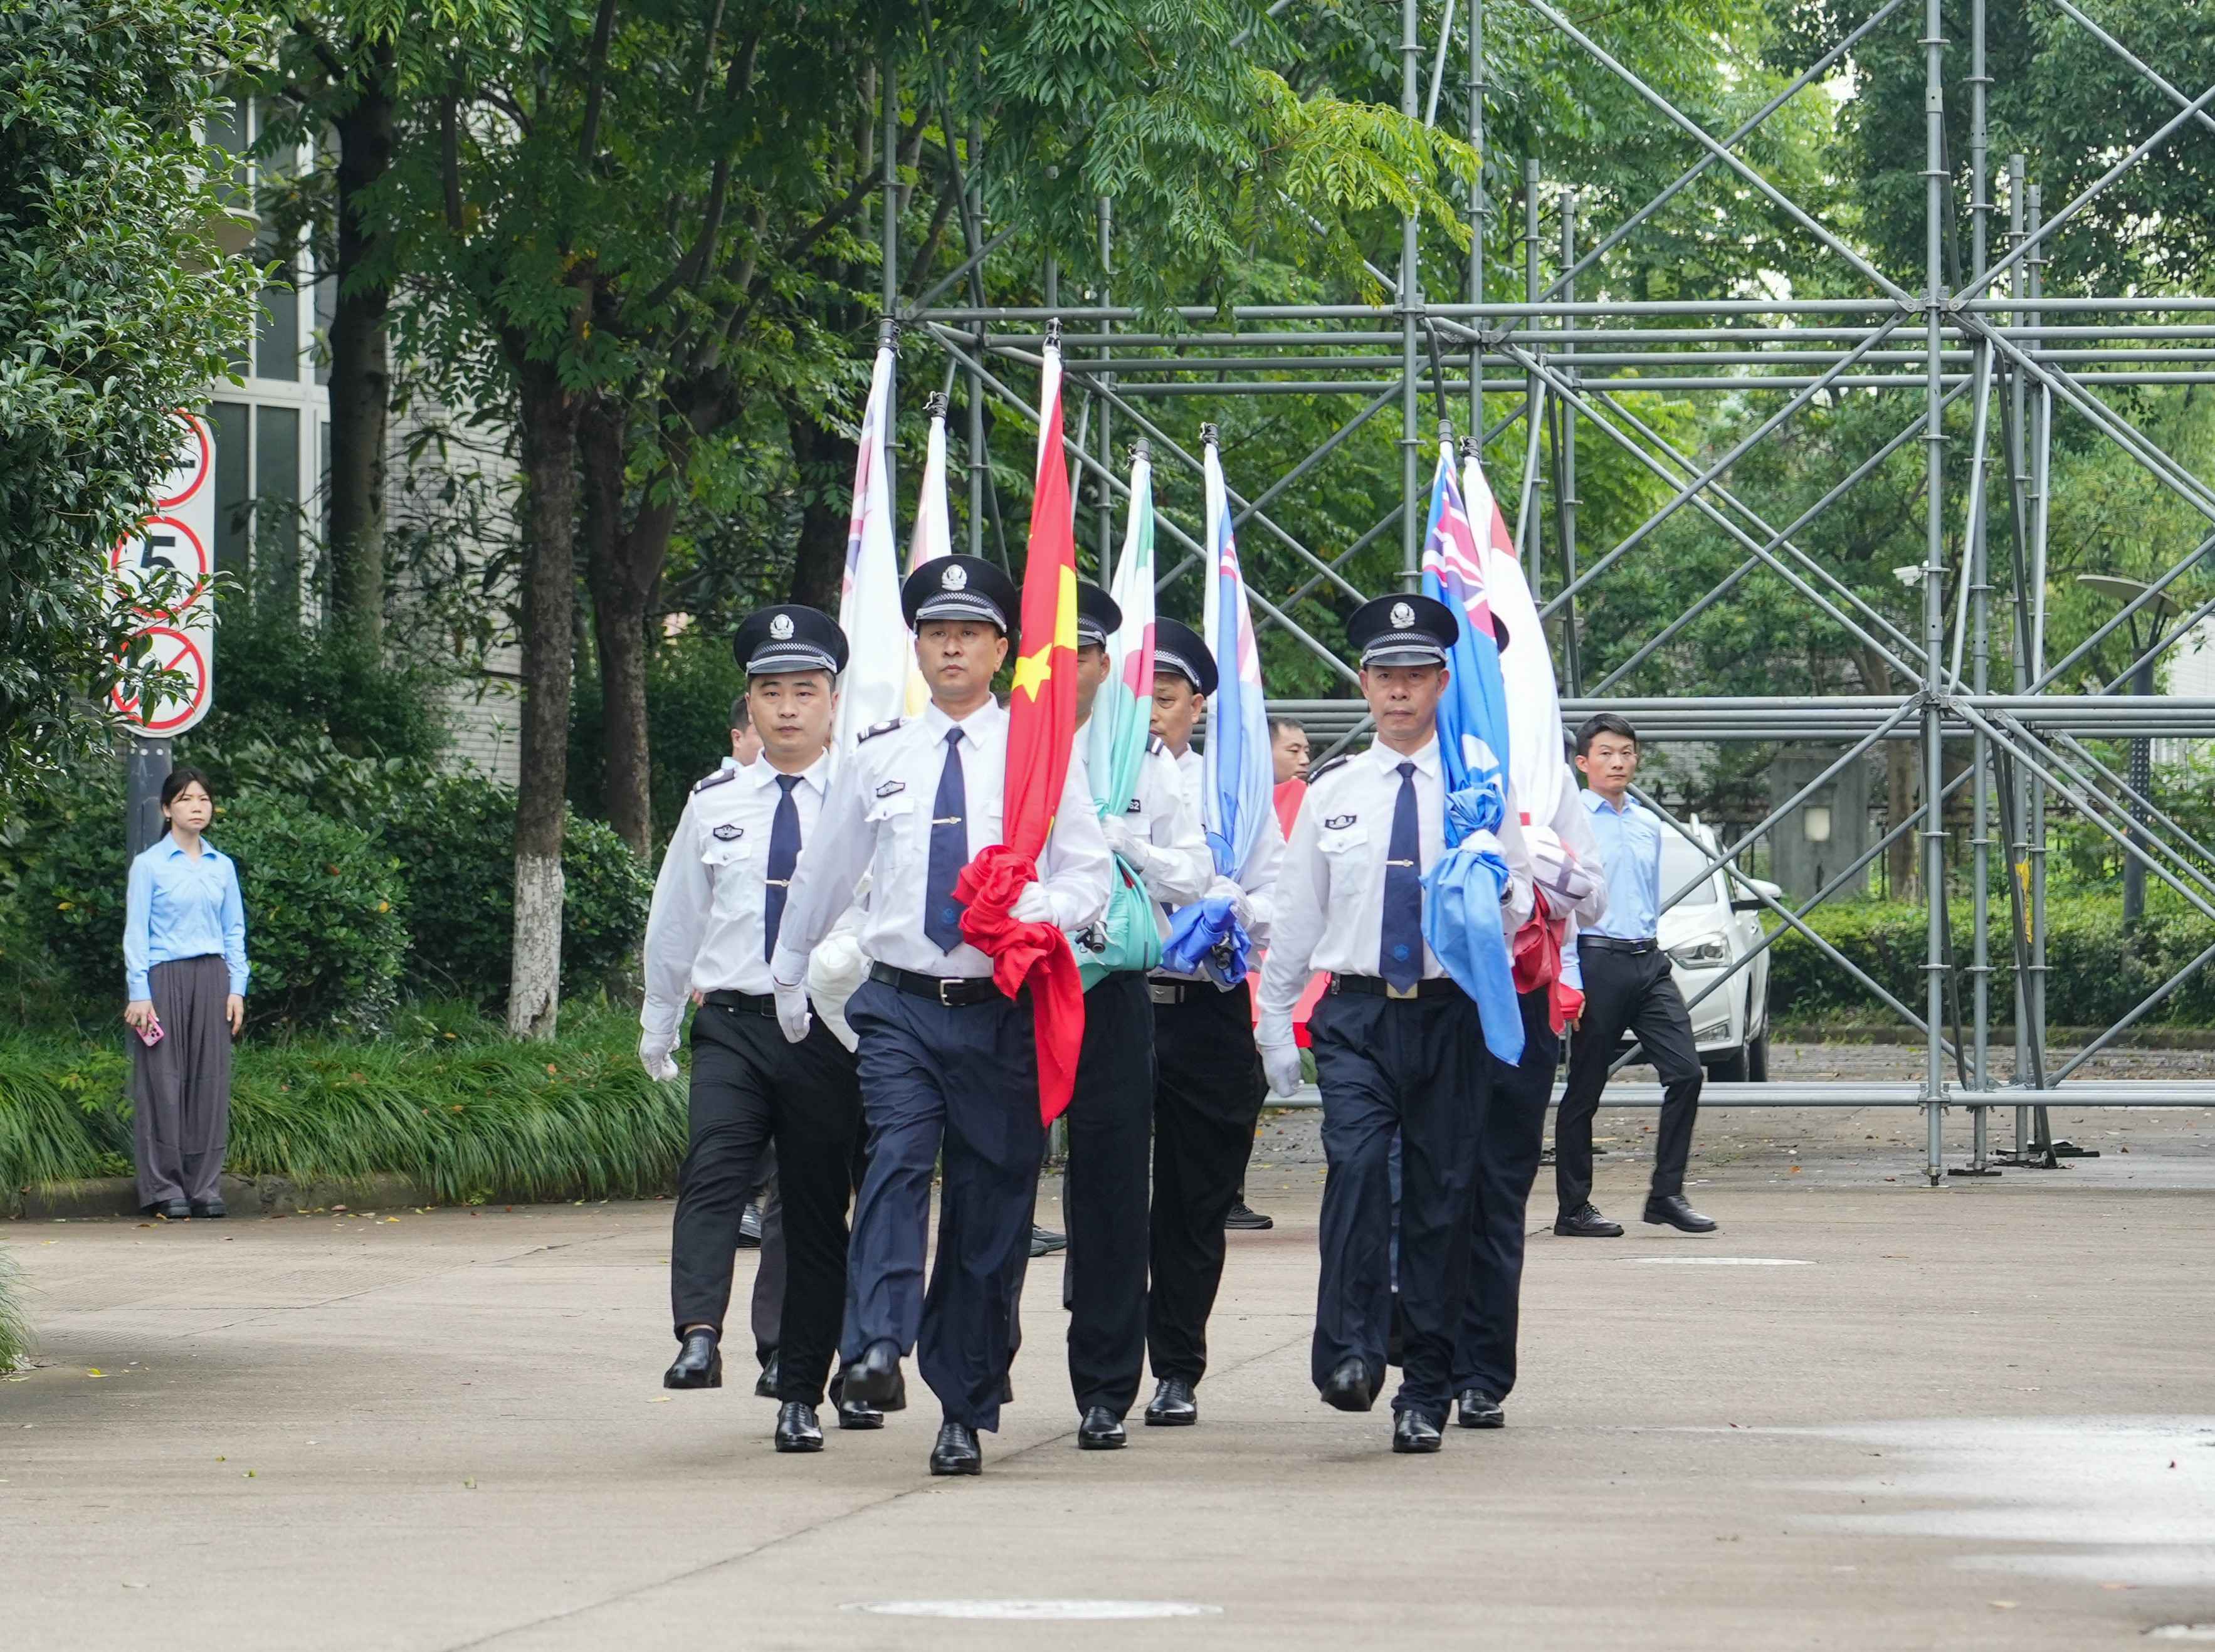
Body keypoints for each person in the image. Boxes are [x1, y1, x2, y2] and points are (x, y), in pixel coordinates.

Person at [770, 554, 1111, 1478]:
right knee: (896, 1155)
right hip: (903, 1004)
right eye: (935, 631)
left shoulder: (1040, 755)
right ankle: (876, 1343)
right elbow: (827, 871)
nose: (951, 644)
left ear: (1003, 648)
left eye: (970, 631)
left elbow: (1089, 875)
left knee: (987, 1211)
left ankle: (963, 1401)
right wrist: (791, 970)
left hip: (1000, 1009)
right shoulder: (880, 756)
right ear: (917, 646)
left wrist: (1039, 908)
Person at [1256, 594, 1529, 1454]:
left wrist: (1491, 876)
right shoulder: (1335, 791)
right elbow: (1300, 913)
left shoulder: (1481, 784)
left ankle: (1428, 1385)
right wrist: (1272, 1017)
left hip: (1451, 1013)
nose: (1399, 691)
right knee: (1360, 1167)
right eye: (1385, 675)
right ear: (1363, 683)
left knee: (1445, 1198)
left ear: (1444, 682)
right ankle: (1351, 1349)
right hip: (1358, 1012)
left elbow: (1522, 899)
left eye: (1416, 675)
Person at [642, 604, 871, 1454]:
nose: (786, 706)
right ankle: (698, 1331)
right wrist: (657, 1022)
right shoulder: (715, 803)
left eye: (803, 690)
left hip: (823, 1025)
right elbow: (676, 919)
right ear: (750, 700)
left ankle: (801, 1385)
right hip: (734, 1019)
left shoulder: (863, 798)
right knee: (714, 1164)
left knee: (813, 1208)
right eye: (770, 690)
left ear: (832, 701)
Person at [1056, 583, 1211, 1449]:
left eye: (1082, 653)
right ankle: (973, 1362)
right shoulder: (1003, 743)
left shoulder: (1136, 754)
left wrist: (1129, 845)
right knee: (992, 1178)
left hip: (1109, 987)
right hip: (1019, 982)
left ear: (1105, 663)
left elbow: (1191, 872)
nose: (1066, 667)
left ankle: (1105, 1385)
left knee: (1113, 1185)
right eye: (1052, 648)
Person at [1141, 616, 1284, 1427]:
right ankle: (1108, 1353)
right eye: (1140, 697)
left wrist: (1234, 909)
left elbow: (1280, 898)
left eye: (1165, 698)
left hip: (1206, 1008)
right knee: (1113, 1190)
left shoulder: (1234, 792)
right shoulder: (1092, 781)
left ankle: (1177, 1365)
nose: (1152, 712)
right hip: (1120, 1004)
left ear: (1198, 703)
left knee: (1195, 1199)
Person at [1449, 760, 1609, 1429]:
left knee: (1496, 1190)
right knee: (1419, 1181)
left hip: (1520, 1003)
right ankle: (1418, 1344)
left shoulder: (1546, 781)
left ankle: (1481, 1372)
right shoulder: (1409, 765)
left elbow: (1592, 894)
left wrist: (1531, 860)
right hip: (1429, 1004)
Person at [1553, 713, 1718, 1237]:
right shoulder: (1569, 820)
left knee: (1687, 1071)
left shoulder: (1648, 822)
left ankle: (1666, 1193)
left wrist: (1654, 953)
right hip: (1594, 958)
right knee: (1585, 1087)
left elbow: (1646, 899)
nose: (1618, 761)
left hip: (1647, 961)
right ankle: (1573, 1207)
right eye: (1605, 752)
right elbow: (1560, 907)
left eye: (1626, 751)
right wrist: (1570, 976)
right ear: (1582, 762)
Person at [122, 767, 247, 1221]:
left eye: (204, 799)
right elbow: (136, 932)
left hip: (213, 977)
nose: (197, 806)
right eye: (186, 799)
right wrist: (140, 992)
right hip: (162, 979)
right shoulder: (150, 864)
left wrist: (237, 988)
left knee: (210, 1082)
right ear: (166, 809)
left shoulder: (222, 865)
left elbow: (235, 931)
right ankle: (164, 1185)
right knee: (162, 1081)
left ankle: (205, 1186)